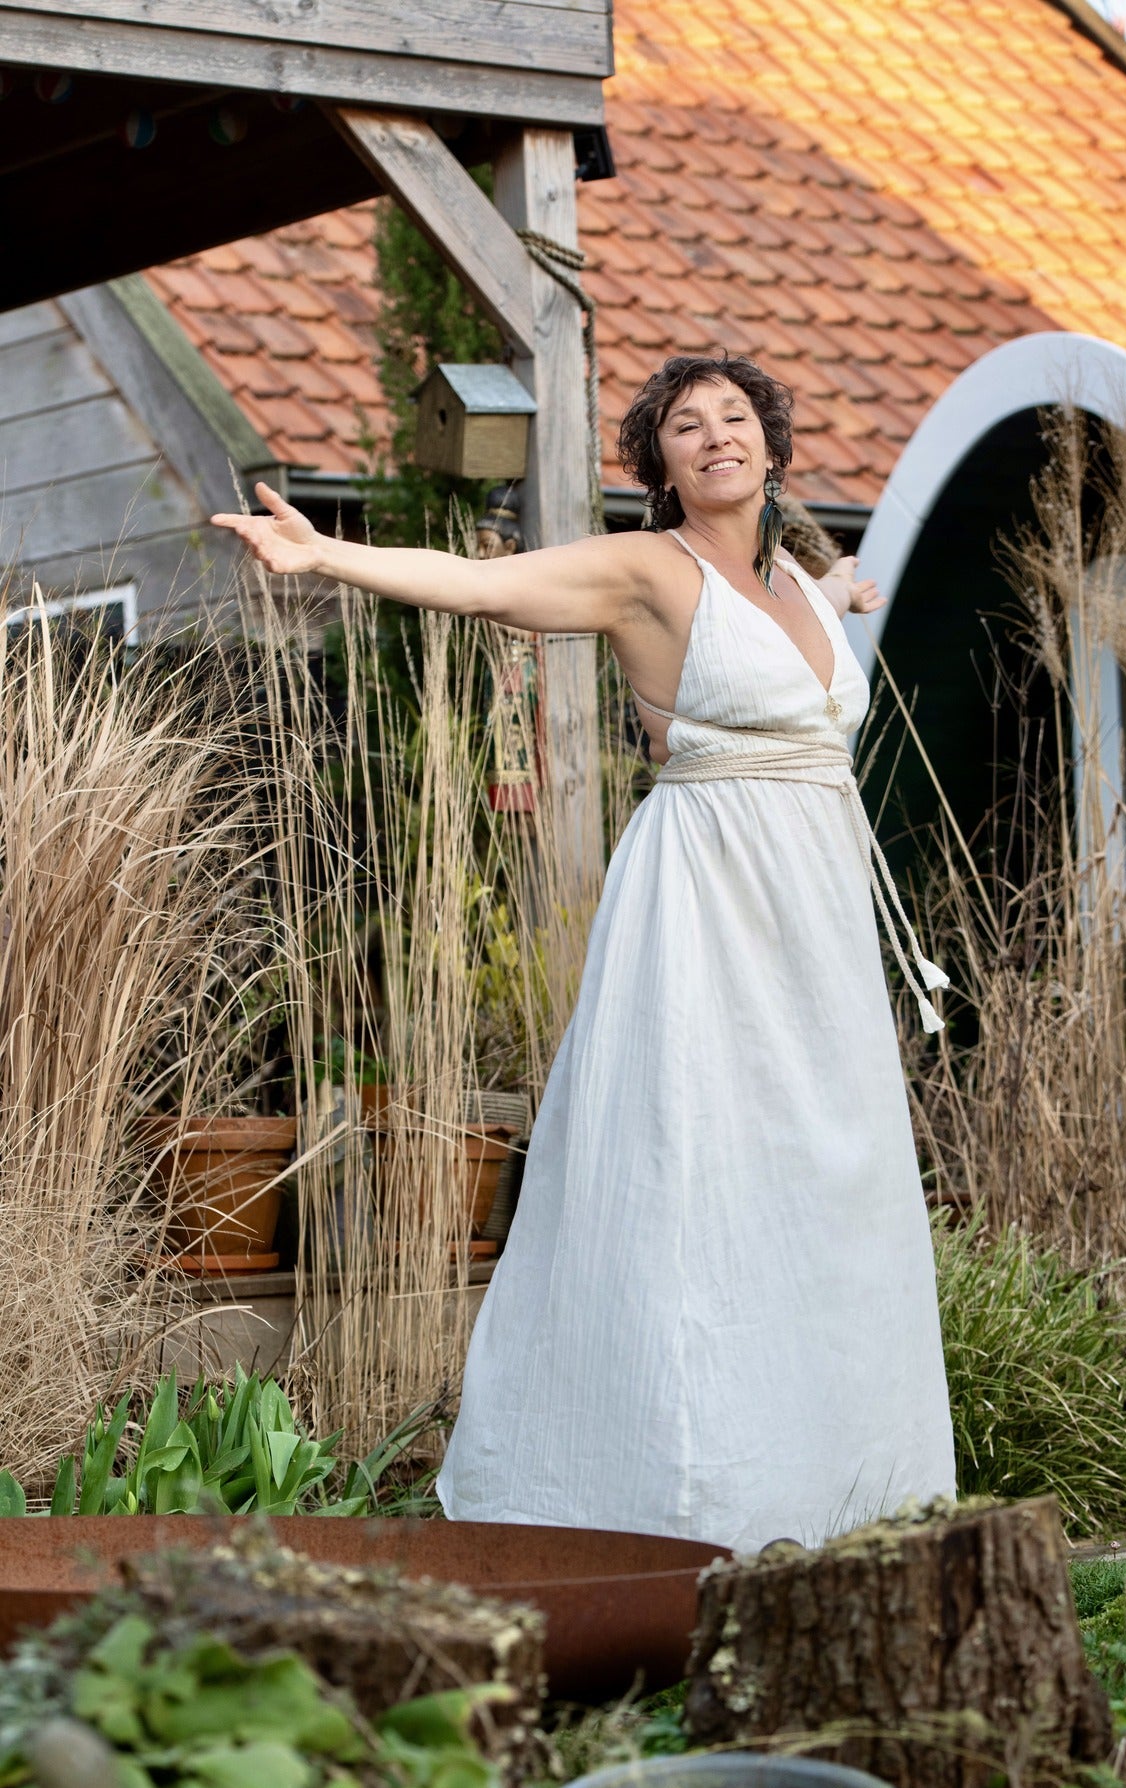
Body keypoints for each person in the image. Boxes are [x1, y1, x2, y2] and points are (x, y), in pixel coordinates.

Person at [213, 352, 956, 1552]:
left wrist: (844, 590)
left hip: (817, 919)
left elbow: (816, 617)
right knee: (699, 1170)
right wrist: (326, 556)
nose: (713, 436)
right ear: (658, 463)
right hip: (710, 902)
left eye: (734, 417)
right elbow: (480, 586)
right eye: (683, 426)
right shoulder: (644, 571)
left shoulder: (796, 577)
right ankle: (686, 1499)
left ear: (770, 445)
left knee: (830, 1177)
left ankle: (850, 1487)